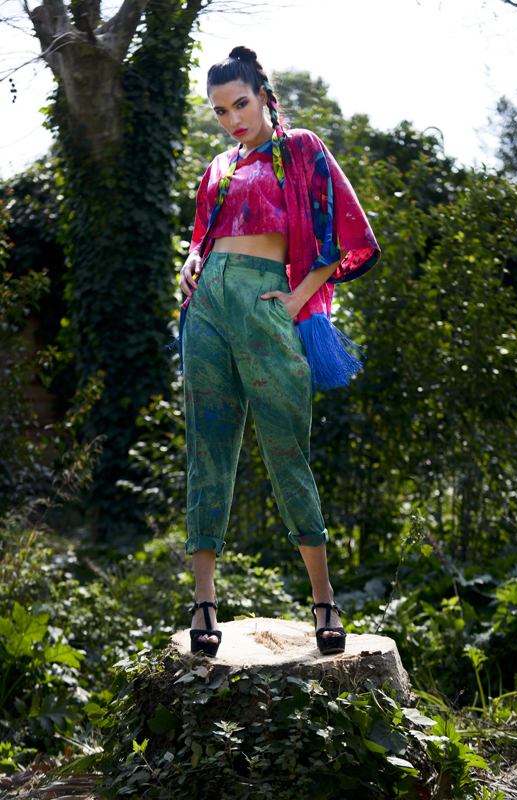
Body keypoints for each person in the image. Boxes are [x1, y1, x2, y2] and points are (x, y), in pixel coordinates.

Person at [174, 46, 379, 658]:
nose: (232, 119)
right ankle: (204, 602)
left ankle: (324, 599)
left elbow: (345, 235)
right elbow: (202, 235)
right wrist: (190, 261)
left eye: (240, 104)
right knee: (207, 446)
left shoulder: (302, 150)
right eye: (220, 111)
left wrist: (296, 301)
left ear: (263, 95)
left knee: (287, 449)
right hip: (206, 307)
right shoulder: (219, 166)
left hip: (266, 304)